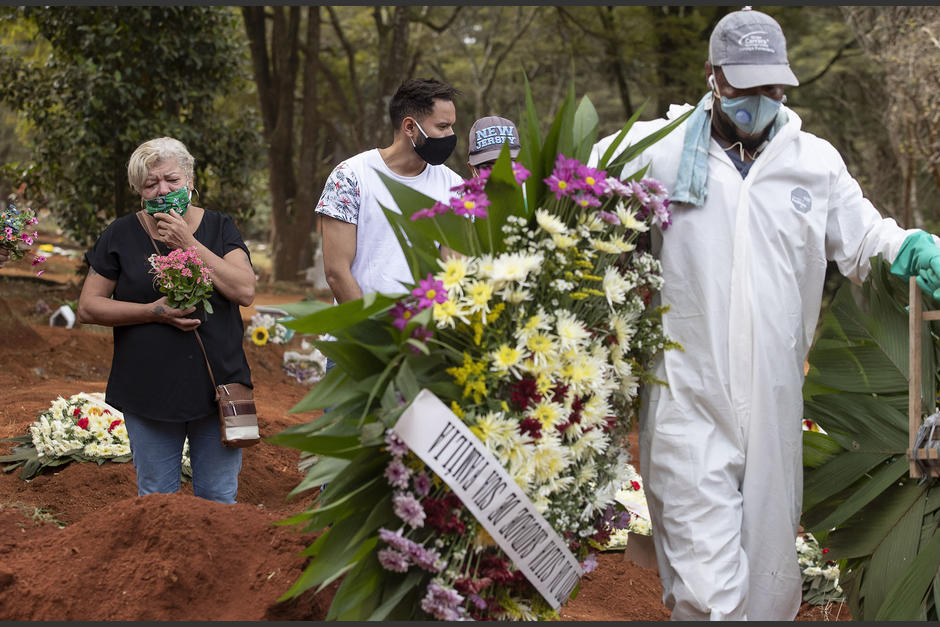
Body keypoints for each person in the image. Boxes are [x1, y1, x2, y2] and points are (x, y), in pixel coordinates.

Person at [591, 7, 940, 621]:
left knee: (771, 588)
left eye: (771, 87)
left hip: (777, 402)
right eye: (744, 86)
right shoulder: (653, 152)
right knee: (706, 593)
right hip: (685, 397)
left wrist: (911, 248)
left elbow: (863, 239)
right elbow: (579, 198)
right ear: (712, 77)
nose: (759, 99)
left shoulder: (815, 163)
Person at [77, 137, 256, 504]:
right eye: (151, 184)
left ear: (190, 180)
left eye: (172, 180)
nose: (163, 190)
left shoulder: (220, 227)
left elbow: (244, 291)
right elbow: (89, 307)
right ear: (138, 192)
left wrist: (188, 242)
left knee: (218, 500)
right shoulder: (120, 234)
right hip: (148, 390)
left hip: (219, 389)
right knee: (157, 501)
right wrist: (153, 312)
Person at [315, 77, 464, 307]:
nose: (451, 135)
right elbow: (336, 272)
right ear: (410, 127)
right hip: (358, 335)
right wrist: (372, 332)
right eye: (443, 126)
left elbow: (453, 273)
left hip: (423, 336)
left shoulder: (454, 187)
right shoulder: (350, 177)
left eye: (452, 126)